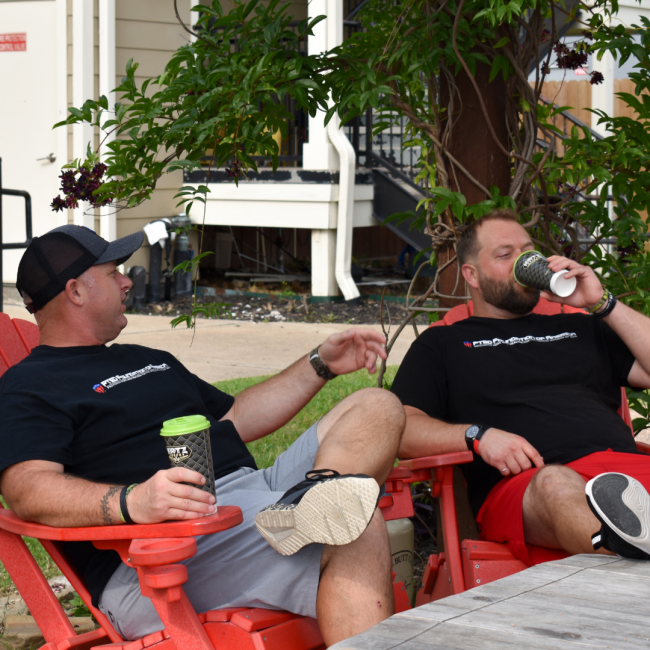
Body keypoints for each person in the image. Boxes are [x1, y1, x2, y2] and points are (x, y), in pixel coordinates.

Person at [0, 225, 406, 647]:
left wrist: (320, 363)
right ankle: (315, 515)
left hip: (258, 500)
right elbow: (26, 487)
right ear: (76, 291)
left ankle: (310, 503)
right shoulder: (30, 386)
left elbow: (235, 416)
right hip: (164, 551)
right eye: (113, 272)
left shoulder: (150, 359)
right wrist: (132, 500)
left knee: (377, 406)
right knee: (355, 528)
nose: (126, 281)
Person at [391, 209, 650, 567]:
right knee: (555, 483)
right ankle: (623, 541)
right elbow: (401, 427)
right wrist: (477, 435)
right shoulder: (443, 345)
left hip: (627, 478)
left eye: (528, 251)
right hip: (530, 486)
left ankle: (631, 538)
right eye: (504, 254)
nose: (524, 261)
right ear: (472, 275)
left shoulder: (583, 329)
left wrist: (601, 303)